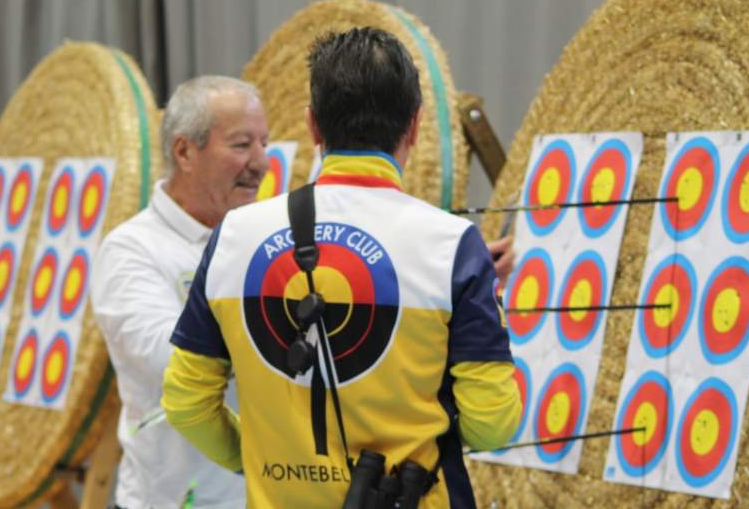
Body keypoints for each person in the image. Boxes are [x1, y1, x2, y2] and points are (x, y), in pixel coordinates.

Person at [162, 28, 522, 508]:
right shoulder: (453, 246)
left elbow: (187, 404)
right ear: (413, 126)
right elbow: (493, 423)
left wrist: (257, 458)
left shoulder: (234, 237)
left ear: (313, 127)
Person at [91, 75, 269, 508]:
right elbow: (173, 360)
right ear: (185, 151)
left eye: (265, 142)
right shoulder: (131, 249)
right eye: (242, 145)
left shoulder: (262, 239)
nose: (261, 162)